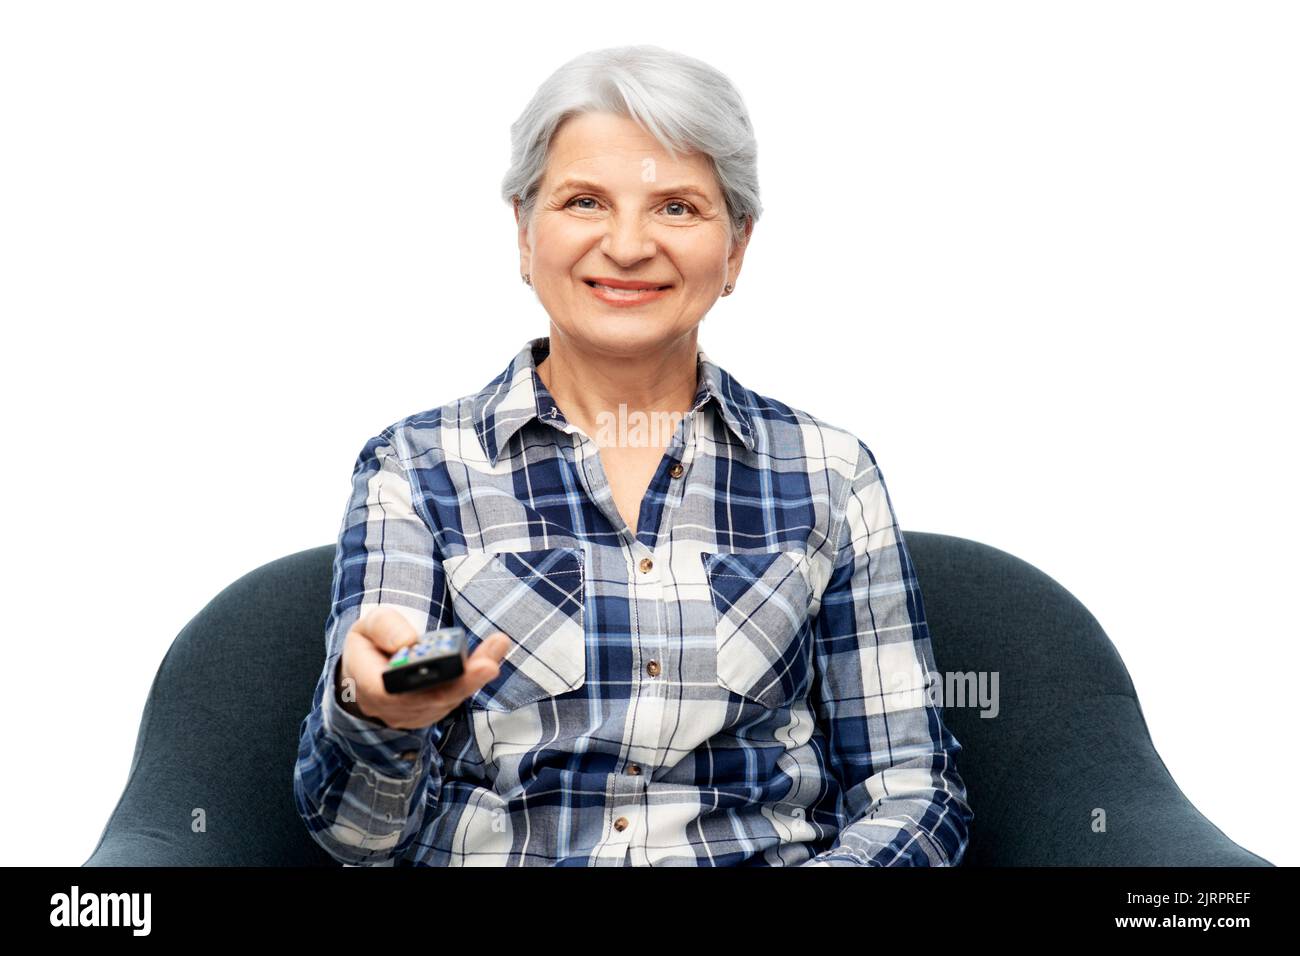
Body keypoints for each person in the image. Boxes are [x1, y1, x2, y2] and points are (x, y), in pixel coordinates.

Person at [293, 44, 973, 866]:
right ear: (523, 230)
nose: (626, 245)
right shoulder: (415, 470)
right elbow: (358, 837)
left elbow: (911, 791)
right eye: (584, 201)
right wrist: (380, 715)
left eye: (677, 208)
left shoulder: (829, 475)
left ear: (737, 249)